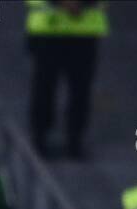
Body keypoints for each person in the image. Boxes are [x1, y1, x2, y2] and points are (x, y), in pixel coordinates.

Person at [26, 0, 108, 159]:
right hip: (49, 30)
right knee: (44, 88)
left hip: (82, 32)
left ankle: (74, 139)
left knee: (80, 91)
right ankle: (41, 137)